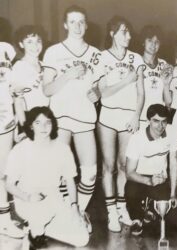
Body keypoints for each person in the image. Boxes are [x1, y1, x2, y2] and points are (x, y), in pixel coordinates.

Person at [42, 5, 102, 232]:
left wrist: (96, 94)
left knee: (90, 174)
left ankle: (78, 211)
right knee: (58, 172)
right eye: (72, 22)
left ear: (86, 25)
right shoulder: (53, 52)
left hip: (85, 118)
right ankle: (61, 215)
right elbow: (47, 90)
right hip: (60, 118)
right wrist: (67, 75)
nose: (77, 26)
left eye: (81, 22)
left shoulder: (95, 54)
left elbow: (98, 90)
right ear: (65, 25)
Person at [5, 106, 89, 249]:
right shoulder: (21, 149)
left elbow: (70, 180)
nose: (44, 127)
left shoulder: (62, 148)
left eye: (48, 122)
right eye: (38, 123)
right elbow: (9, 184)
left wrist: (74, 207)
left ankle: (42, 228)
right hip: (29, 197)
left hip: (54, 196)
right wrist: (28, 197)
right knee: (39, 216)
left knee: (82, 239)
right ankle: (36, 231)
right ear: (31, 126)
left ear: (53, 124)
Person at [97, 16, 145, 230]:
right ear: (112, 33)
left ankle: (122, 208)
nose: (129, 36)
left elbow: (141, 92)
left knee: (124, 165)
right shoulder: (101, 57)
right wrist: (126, 80)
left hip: (128, 117)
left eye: (129, 32)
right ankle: (110, 212)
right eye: (124, 32)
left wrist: (136, 115)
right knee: (108, 166)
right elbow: (104, 93)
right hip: (107, 117)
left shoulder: (136, 58)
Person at [125, 104, 177, 236]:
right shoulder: (137, 138)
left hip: (159, 178)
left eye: (164, 122)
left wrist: (174, 194)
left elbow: (174, 163)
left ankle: (150, 208)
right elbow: (129, 172)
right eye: (156, 121)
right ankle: (136, 218)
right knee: (131, 190)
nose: (160, 126)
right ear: (148, 121)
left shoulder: (173, 131)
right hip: (139, 178)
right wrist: (148, 181)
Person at [0, 35, 24, 239]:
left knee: (3, 172)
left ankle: (4, 218)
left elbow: (12, 87)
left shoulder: (6, 48)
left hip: (5, 119)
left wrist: (17, 116)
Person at [12, 25, 49, 127]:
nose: (35, 45)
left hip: (47, 117)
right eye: (29, 42)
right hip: (29, 119)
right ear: (21, 44)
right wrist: (25, 127)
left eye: (38, 41)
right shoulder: (19, 67)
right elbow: (18, 102)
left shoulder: (45, 65)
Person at [139, 25, 173, 121]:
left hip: (158, 119)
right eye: (150, 40)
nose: (153, 45)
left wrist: (166, 85)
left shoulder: (164, 65)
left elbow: (168, 102)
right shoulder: (136, 62)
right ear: (143, 42)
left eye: (157, 42)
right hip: (139, 118)